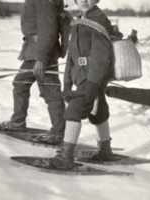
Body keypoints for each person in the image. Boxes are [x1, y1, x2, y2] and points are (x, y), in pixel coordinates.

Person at [46, 0, 121, 169]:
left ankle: (65, 158)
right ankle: (105, 152)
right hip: (82, 77)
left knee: (72, 112)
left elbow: (101, 57)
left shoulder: (99, 20)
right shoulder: (79, 21)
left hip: (93, 77)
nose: (84, 1)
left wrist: (93, 84)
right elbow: (71, 57)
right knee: (98, 112)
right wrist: (66, 85)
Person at [0, 0, 72, 143]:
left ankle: (58, 132)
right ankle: (18, 122)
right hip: (33, 51)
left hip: (42, 53)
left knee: (50, 92)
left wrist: (42, 59)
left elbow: (48, 29)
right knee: (20, 83)